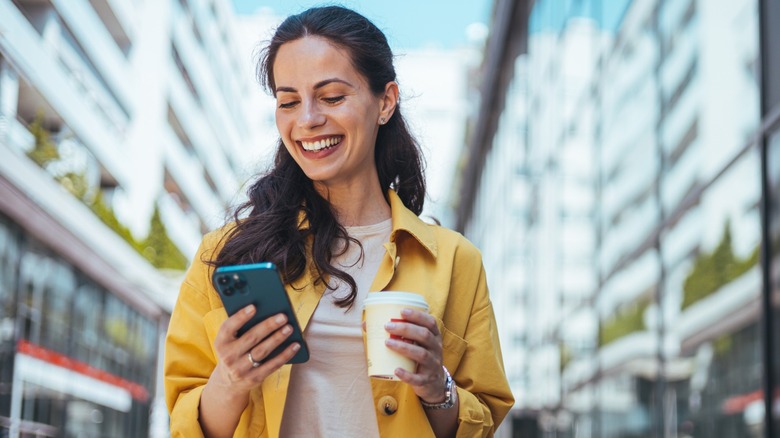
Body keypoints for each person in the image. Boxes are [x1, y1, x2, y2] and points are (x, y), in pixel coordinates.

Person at [164, 5, 513, 437]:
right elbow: (184, 424)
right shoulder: (225, 255)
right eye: (288, 101)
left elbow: (484, 421)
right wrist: (231, 380)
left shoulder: (456, 262)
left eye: (331, 97)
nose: (307, 119)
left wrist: (435, 386)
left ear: (385, 101)